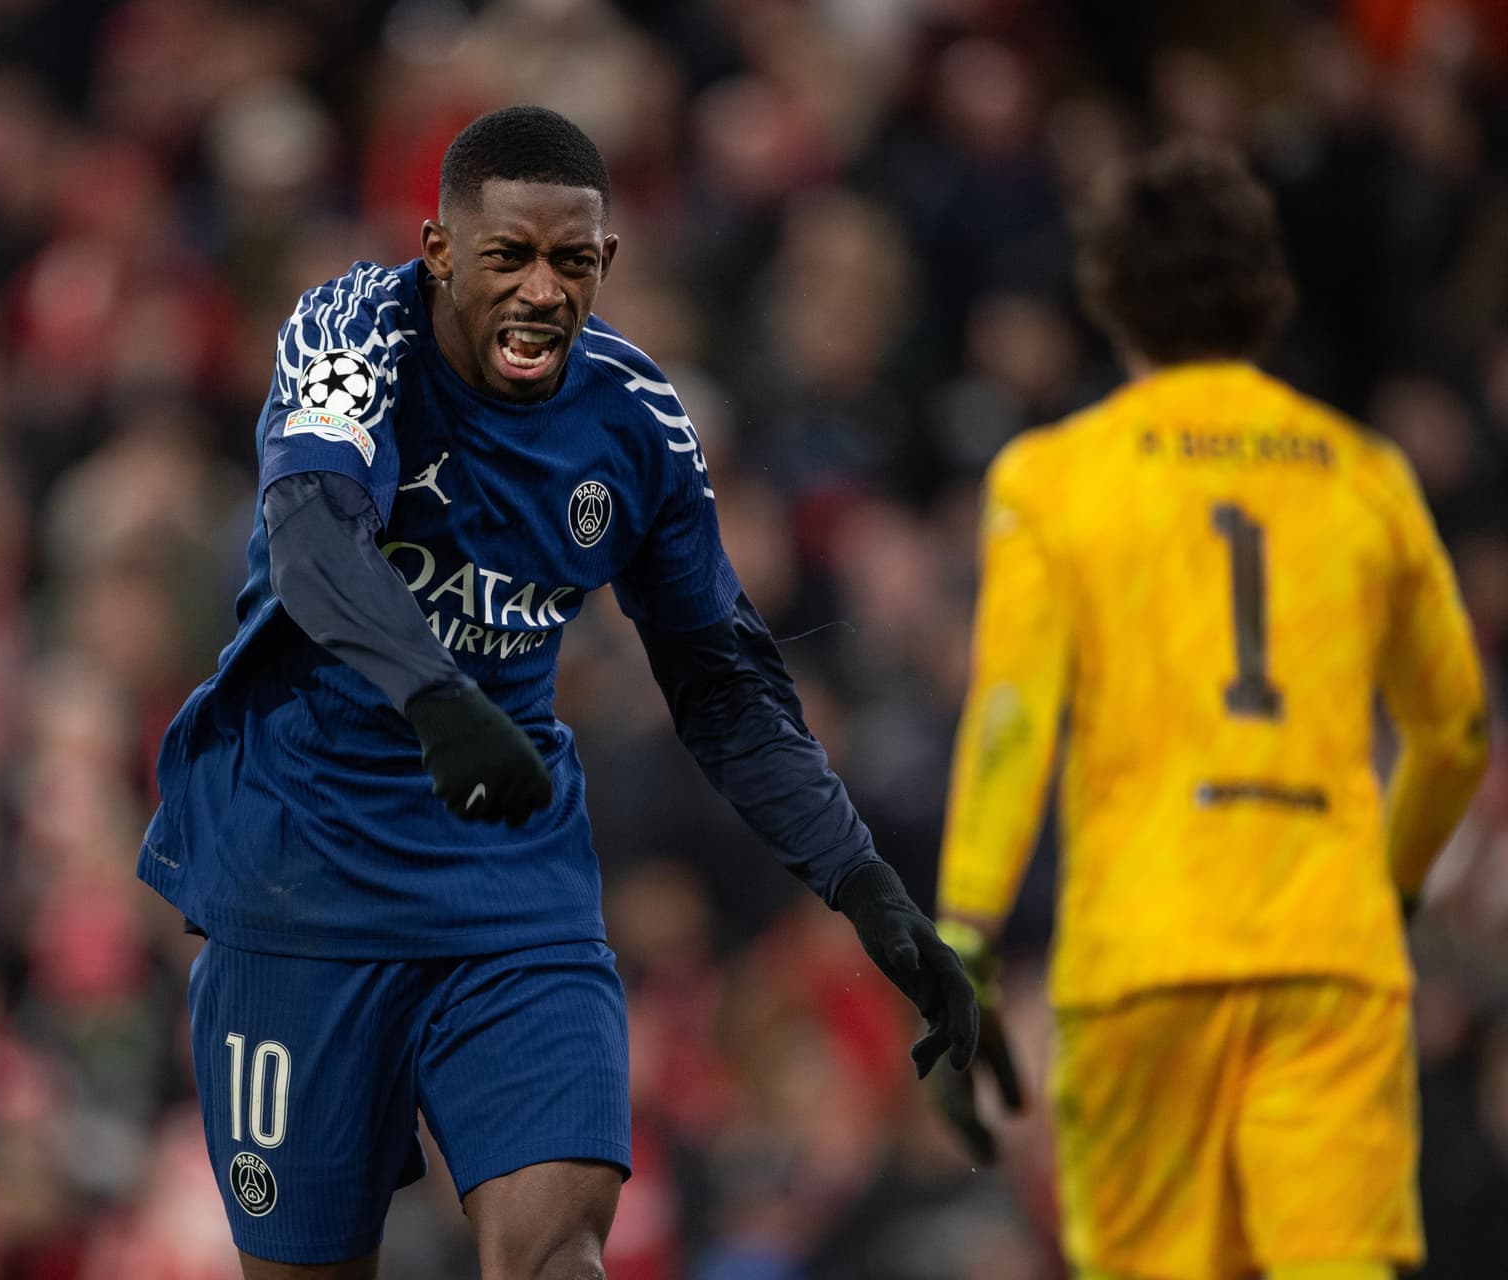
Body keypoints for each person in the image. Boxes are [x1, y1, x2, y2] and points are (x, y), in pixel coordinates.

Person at [136, 105, 978, 1279]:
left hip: (508, 884)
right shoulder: (346, 333)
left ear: (608, 264)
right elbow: (313, 538)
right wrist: (438, 699)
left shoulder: (637, 422)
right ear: (438, 249)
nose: (542, 290)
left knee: (559, 1252)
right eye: (509, 256)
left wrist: (867, 883)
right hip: (302, 870)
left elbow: (725, 684)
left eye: (572, 262)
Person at [930, 144, 1492, 1280]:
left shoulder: (1055, 477)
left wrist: (965, 938)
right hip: (1328, 947)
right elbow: (1457, 731)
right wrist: (1390, 880)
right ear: (1266, 293)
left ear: (1109, 297)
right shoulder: (1364, 473)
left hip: (1142, 951)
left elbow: (1010, 719)